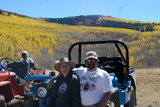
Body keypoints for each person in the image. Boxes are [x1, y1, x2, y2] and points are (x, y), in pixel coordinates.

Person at [48, 51, 113, 107]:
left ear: (97, 61)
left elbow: (107, 94)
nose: (91, 62)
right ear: (85, 62)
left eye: (93, 60)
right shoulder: (80, 71)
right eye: (88, 60)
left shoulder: (103, 74)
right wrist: (52, 79)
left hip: (98, 105)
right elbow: (64, 72)